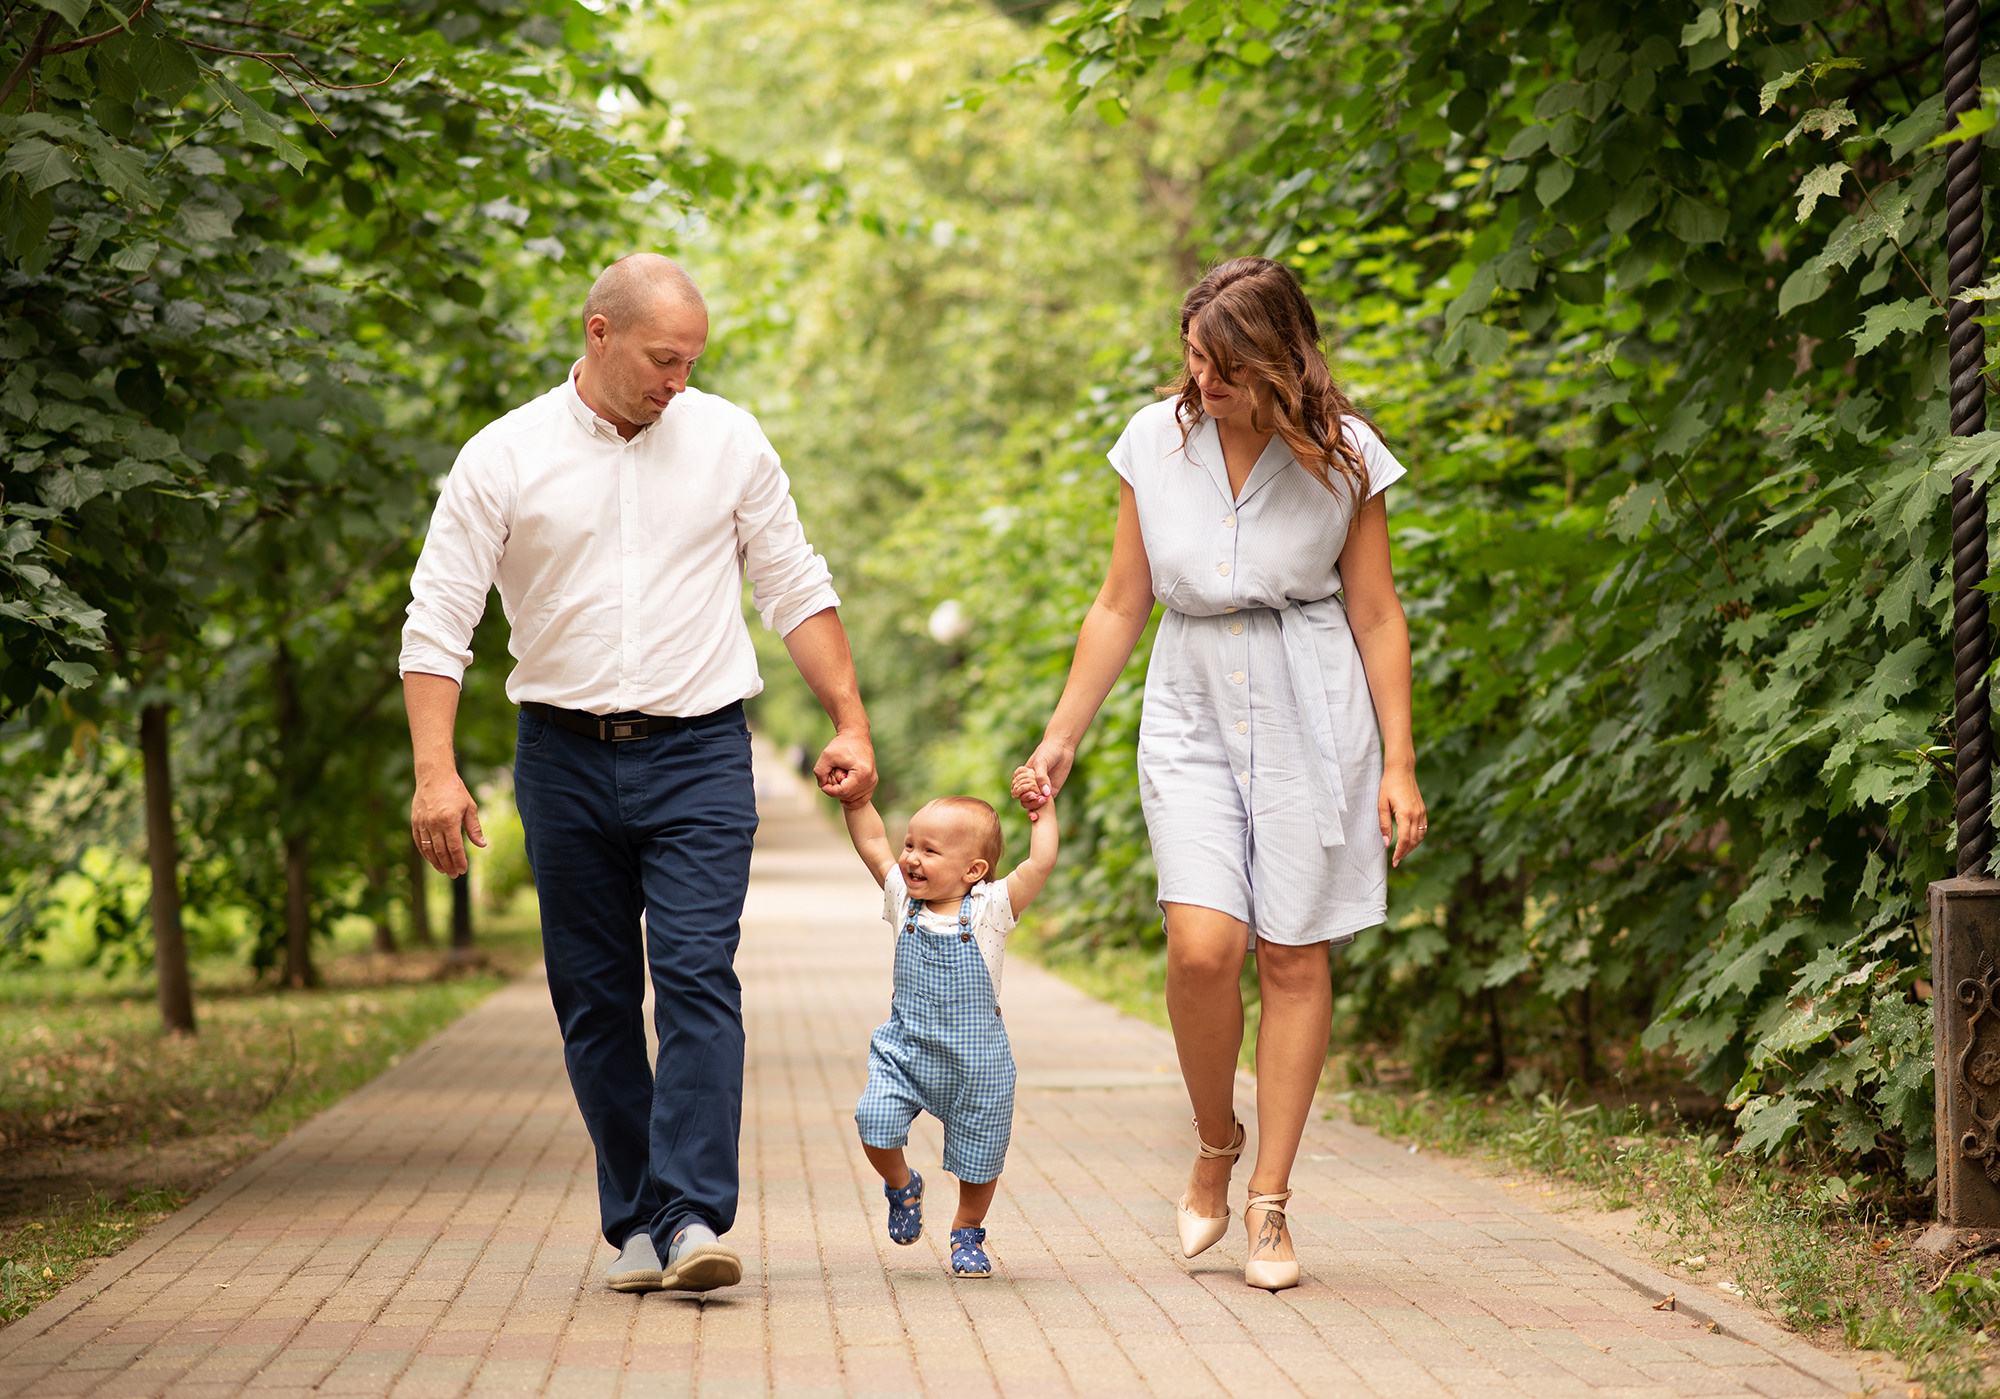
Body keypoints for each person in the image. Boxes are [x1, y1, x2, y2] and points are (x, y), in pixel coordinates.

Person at [400, 254, 876, 1295]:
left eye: (692, 360)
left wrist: (849, 716)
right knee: (596, 998)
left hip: (701, 749)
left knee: (699, 973)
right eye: (664, 358)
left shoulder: (728, 439)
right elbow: (439, 618)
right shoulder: (504, 455)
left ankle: (693, 1213)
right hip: (562, 756)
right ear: (599, 333)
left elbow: (793, 584)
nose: (679, 379)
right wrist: (436, 772)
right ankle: (637, 1223)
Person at [1016, 257, 1426, 1292]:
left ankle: (1270, 1202)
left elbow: (1377, 613)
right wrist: (1061, 736)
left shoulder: (1345, 454)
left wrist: (1399, 762)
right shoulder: (1153, 441)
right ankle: (1214, 1138)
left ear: (1279, 360)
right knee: (1203, 949)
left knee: (1291, 953)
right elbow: (1120, 601)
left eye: (1226, 365)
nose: (1203, 380)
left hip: (1309, 702)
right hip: (1190, 699)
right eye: (1195, 357)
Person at [834, 773, 1059, 1278]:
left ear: (973, 870)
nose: (911, 858)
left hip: (977, 1065)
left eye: (929, 850)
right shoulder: (902, 899)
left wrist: (1042, 810)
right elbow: (872, 842)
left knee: (981, 1156)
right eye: (910, 844)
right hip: (907, 1052)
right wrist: (856, 799)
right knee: (873, 1120)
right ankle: (902, 1186)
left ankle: (967, 1229)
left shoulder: (991, 908)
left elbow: (1040, 863)